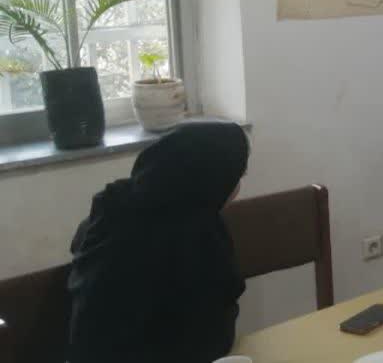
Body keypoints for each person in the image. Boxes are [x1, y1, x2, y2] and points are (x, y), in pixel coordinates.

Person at [67, 121, 251, 363]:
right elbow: (210, 333)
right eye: (237, 176)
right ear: (215, 180)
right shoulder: (195, 235)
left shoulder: (112, 207)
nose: (238, 186)